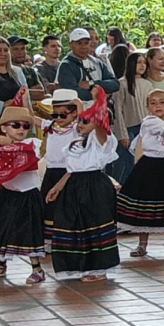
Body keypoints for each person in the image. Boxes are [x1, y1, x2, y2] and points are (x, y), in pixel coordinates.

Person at [44, 101, 121, 282]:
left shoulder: (103, 140)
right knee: (72, 223)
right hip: (74, 185)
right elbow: (71, 169)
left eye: (86, 122)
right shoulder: (75, 141)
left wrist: (99, 114)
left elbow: (102, 134)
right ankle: (76, 265)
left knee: (94, 224)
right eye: (79, 121)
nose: (80, 125)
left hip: (94, 185)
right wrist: (57, 187)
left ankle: (99, 267)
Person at [116, 89, 164, 258]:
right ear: (147, 107)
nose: (157, 105)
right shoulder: (149, 121)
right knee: (145, 206)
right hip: (149, 166)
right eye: (153, 102)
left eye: (161, 102)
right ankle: (142, 244)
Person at [0, 106, 46, 284]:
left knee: (28, 231)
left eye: (25, 126)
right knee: (2, 228)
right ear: (4, 128)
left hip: (27, 195)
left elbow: (27, 156)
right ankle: (0, 265)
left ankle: (37, 268)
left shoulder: (32, 145)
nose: (21, 129)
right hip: (7, 194)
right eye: (16, 125)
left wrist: (7, 144)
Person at [39, 90, 82, 246]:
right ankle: (50, 239)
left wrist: (80, 105)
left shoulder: (77, 128)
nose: (58, 119)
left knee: (66, 205)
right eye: (55, 115)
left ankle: (68, 237)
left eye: (63, 115)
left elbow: (84, 120)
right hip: (52, 170)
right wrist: (24, 99)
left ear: (74, 113)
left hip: (67, 171)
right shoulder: (51, 126)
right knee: (48, 204)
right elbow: (31, 117)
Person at [109, 52, 150, 184]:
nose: (142, 65)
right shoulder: (122, 83)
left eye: (144, 62)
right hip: (128, 129)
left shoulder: (147, 84)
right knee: (126, 165)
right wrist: (122, 134)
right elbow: (117, 110)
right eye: (139, 62)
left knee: (141, 164)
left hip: (143, 129)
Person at [57, 28, 120, 103]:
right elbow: (70, 92)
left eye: (86, 43)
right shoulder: (66, 66)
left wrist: (92, 83)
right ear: (70, 45)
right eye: (79, 43)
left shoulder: (97, 62)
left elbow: (115, 84)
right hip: (80, 111)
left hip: (101, 111)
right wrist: (95, 94)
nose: (83, 46)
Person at [0, 37, 27, 126]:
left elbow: (26, 97)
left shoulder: (17, 71)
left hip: (17, 124)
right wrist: (2, 105)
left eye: (6, 50)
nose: (3, 53)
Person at [8, 37, 44, 102]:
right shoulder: (3, 71)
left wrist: (19, 92)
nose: (20, 52)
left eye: (23, 48)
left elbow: (40, 93)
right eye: (15, 49)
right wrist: (30, 90)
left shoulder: (31, 71)